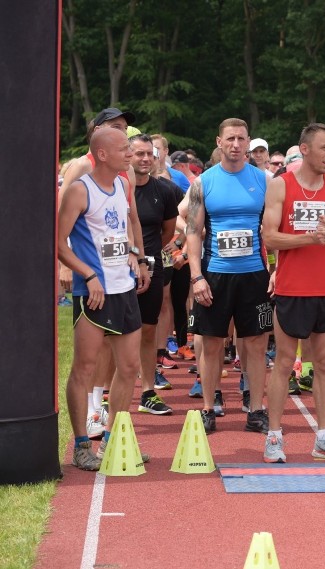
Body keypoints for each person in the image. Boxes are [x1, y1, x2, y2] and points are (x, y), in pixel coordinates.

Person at [261, 123, 325, 462]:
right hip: (292, 288)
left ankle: (324, 437)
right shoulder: (280, 185)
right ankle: (273, 437)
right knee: (285, 363)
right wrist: (308, 238)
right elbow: (270, 238)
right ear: (305, 150)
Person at [58, 128, 146, 471]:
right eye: (124, 148)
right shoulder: (80, 191)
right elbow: (60, 242)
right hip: (93, 293)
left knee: (128, 367)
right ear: (103, 154)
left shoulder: (124, 184)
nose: (130, 152)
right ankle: (82, 445)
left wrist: (137, 257)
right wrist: (89, 274)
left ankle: (115, 438)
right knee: (84, 369)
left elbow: (126, 226)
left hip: (124, 289)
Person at [184, 118, 272, 435]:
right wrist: (196, 277)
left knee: (257, 344)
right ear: (219, 142)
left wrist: (274, 272)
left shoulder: (265, 180)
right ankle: (208, 408)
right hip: (215, 274)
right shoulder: (202, 183)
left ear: (249, 142)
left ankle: (256, 410)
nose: (236, 144)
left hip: (254, 275)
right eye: (230, 139)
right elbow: (193, 233)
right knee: (210, 344)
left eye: (241, 139)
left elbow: (272, 232)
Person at [129, 134, 179, 416]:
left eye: (150, 154)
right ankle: (105, 394)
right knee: (113, 334)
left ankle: (148, 391)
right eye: (139, 154)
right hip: (118, 269)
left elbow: (168, 232)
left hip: (151, 266)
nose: (146, 159)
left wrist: (146, 260)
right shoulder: (118, 188)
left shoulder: (166, 190)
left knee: (148, 329)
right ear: (128, 155)